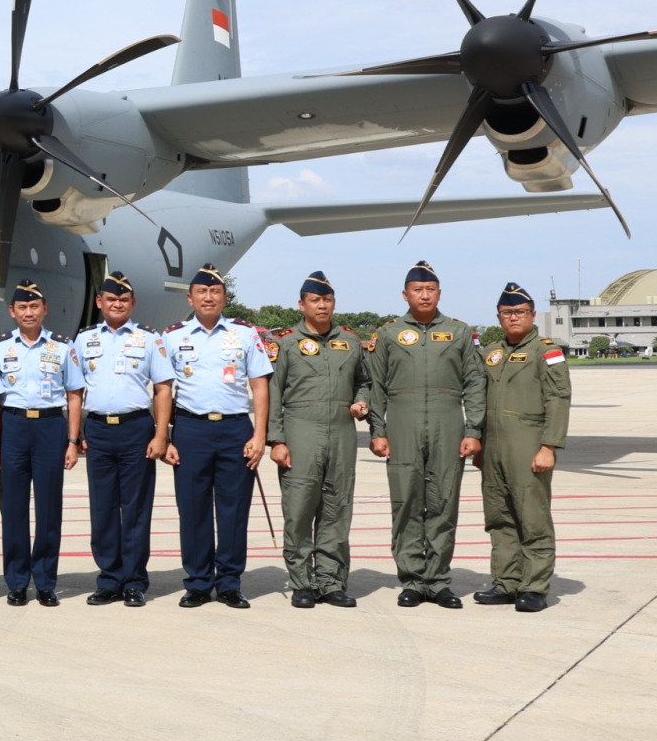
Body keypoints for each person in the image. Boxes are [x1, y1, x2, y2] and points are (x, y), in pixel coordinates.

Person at [366, 261, 486, 610]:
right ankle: (412, 580)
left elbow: (474, 383)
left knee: (443, 502)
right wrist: (378, 430)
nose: (424, 294)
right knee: (406, 502)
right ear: (405, 295)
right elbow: (376, 387)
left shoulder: (460, 332)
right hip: (402, 423)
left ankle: (437, 580)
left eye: (430, 289)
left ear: (439, 293)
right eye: (417, 290)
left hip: (448, 422)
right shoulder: (387, 334)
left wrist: (473, 429)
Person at [161, 266, 272, 609]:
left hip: (235, 428)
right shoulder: (173, 336)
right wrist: (165, 437)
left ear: (224, 297)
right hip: (190, 429)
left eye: (215, 292)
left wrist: (259, 434)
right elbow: (163, 389)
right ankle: (197, 582)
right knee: (192, 509)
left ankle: (229, 582)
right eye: (201, 292)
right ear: (189, 297)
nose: (208, 297)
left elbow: (260, 385)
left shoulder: (244, 334)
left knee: (234, 509)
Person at [66, 271, 173, 608]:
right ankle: (109, 579)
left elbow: (163, 389)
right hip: (97, 429)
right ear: (99, 303)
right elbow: (75, 391)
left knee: (137, 510)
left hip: (136, 429)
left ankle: (134, 581)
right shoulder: (83, 340)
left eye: (123, 300)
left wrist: (161, 433)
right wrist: (76, 434)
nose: (116, 304)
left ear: (132, 304)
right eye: (110, 299)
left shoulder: (148, 339)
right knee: (103, 508)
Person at [265, 271, 370, 609]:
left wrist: (361, 401)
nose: (322, 305)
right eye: (315, 300)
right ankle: (302, 582)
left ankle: (331, 581)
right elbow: (273, 393)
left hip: (341, 431)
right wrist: (276, 440)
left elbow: (364, 381)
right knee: (298, 510)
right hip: (300, 431)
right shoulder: (284, 342)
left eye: (327, 300)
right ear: (302, 304)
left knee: (337, 509)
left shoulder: (351, 342)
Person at [471, 283, 570, 614]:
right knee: (499, 517)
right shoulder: (491, 352)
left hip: (528, 445)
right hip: (494, 447)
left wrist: (549, 446)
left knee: (532, 517)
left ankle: (535, 586)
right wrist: (479, 445)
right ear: (498, 317)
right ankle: (506, 581)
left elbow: (558, 398)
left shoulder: (546, 351)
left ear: (531, 314)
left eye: (520, 312)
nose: (513, 318)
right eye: (507, 313)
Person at [0, 279, 78, 606]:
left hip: (51, 426)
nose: (28, 312)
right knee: (12, 508)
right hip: (13, 427)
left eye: (34, 306)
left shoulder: (63, 346)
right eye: (22, 307)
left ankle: (46, 581)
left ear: (45, 309)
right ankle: (16, 581)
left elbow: (75, 394)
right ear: (12, 311)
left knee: (49, 508)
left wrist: (73, 440)